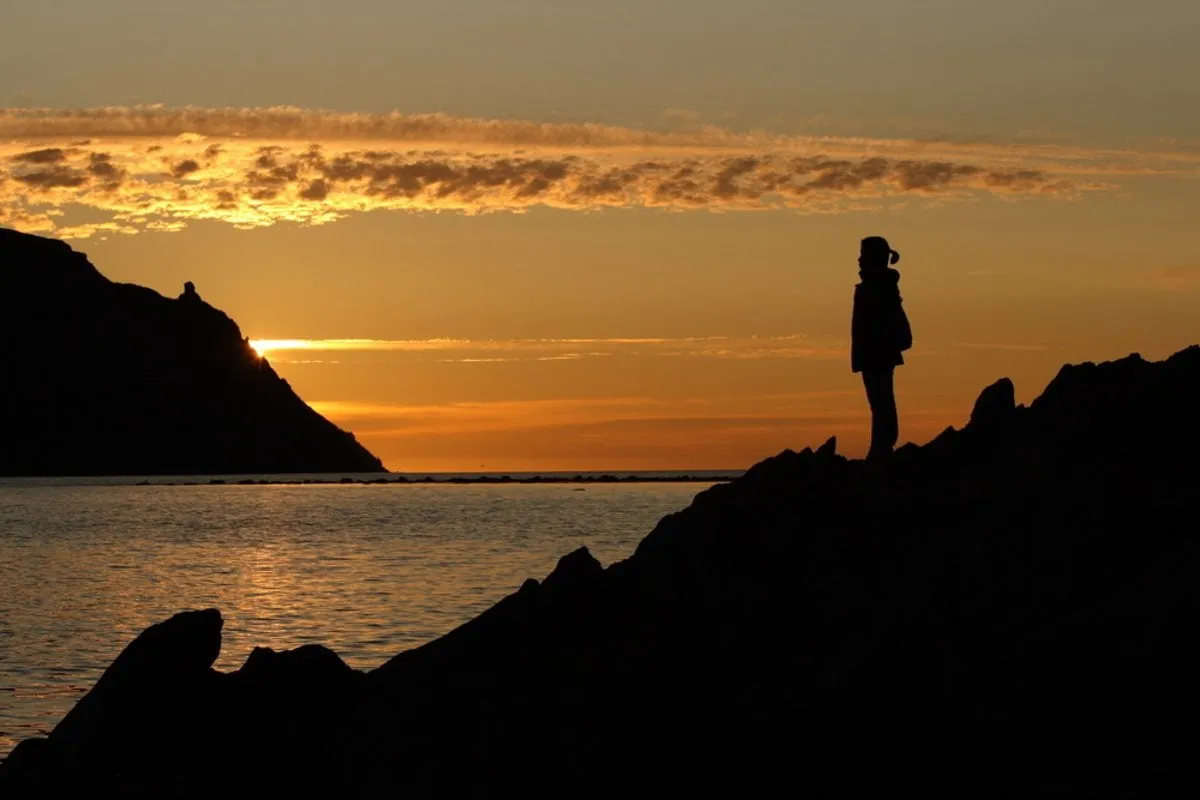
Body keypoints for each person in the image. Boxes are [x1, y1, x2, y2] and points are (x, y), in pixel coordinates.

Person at [851, 236, 913, 461]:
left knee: (881, 401)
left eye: (863, 255)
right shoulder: (879, 285)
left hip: (877, 353)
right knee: (880, 401)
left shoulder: (878, 287)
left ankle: (882, 448)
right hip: (875, 353)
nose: (859, 260)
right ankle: (881, 446)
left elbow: (874, 323)